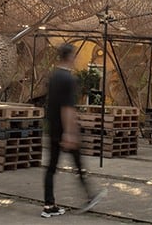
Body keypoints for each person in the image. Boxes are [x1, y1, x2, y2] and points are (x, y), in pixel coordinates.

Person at [42, 43, 106, 218]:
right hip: (65, 129)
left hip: (53, 128)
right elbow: (67, 108)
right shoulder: (69, 79)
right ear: (70, 56)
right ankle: (90, 196)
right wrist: (70, 132)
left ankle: (48, 206)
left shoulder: (53, 76)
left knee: (51, 168)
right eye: (74, 55)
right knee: (78, 164)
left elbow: (52, 104)